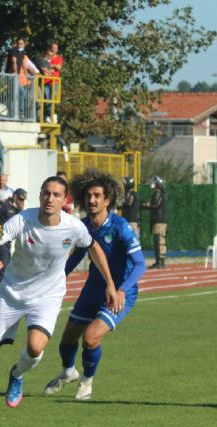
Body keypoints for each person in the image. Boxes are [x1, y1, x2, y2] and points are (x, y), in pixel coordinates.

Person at [0, 176, 118, 416]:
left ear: (64, 200)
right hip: (12, 292)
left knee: (35, 347)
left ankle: (17, 375)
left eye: (56, 195)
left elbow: (93, 247)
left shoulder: (73, 226)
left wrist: (110, 284)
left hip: (47, 296)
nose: (49, 199)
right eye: (46, 193)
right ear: (40, 195)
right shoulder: (22, 220)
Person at [43, 170, 147, 400]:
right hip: (93, 289)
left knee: (90, 338)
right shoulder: (83, 226)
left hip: (120, 293)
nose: (92, 200)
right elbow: (75, 257)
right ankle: (68, 372)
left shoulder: (120, 227)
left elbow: (140, 264)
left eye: (97, 196)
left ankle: (87, 382)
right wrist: (56, 279)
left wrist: (121, 290)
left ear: (107, 200)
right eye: (89, 195)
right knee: (68, 337)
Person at [0, 188, 27, 288]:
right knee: (2, 267)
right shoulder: (5, 204)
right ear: (15, 196)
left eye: (23, 200)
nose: (22, 202)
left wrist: (21, 207)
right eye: (20, 199)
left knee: (7, 267)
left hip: (8, 243)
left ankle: (4, 291)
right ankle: (1, 292)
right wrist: (2, 232)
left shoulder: (17, 208)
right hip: (0, 241)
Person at [146, 176, 167, 268]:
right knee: (161, 240)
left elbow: (154, 204)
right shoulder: (163, 194)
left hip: (158, 220)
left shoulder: (157, 194)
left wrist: (145, 204)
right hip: (162, 220)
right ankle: (161, 261)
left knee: (158, 240)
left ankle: (159, 261)